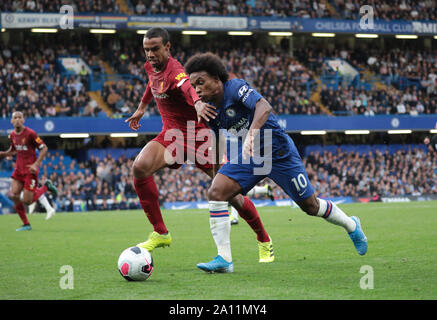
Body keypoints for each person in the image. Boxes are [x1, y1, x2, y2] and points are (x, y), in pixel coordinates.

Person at [185, 52, 368, 272]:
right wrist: (216, 173)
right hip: (253, 157)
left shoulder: (235, 88)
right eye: (193, 85)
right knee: (216, 192)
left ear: (217, 79)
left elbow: (264, 107)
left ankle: (351, 224)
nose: (197, 90)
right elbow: (217, 141)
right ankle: (224, 259)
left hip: (280, 153)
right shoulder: (209, 111)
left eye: (201, 83)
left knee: (311, 206)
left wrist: (251, 135)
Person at [125, 28, 274, 267]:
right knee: (140, 167)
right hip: (171, 136)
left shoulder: (177, 72)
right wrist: (142, 107)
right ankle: (161, 233)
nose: (150, 54)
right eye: (146, 49)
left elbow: (186, 87)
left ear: (167, 47)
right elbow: (151, 84)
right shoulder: (150, 67)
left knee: (231, 195)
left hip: (199, 137)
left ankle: (263, 238)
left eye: (155, 49)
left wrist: (196, 103)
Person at [0, 111, 58, 231]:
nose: (17, 119)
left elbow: (44, 148)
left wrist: (36, 164)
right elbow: (14, 150)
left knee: (27, 201)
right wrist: (4, 154)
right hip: (18, 170)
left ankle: (46, 186)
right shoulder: (12, 135)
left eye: (19, 117)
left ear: (23, 120)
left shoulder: (30, 134)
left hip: (30, 171)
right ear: (11, 121)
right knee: (14, 195)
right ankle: (26, 224)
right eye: (14, 117)